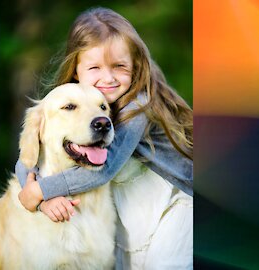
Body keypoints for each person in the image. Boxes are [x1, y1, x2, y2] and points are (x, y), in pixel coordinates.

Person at [16, 7, 193, 269]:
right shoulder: (68, 103)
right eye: (95, 67)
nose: (107, 78)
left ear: (135, 66)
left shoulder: (139, 107)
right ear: (76, 70)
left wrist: (40, 191)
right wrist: (36, 196)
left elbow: (102, 170)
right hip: (131, 219)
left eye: (119, 66)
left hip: (175, 208)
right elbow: (29, 158)